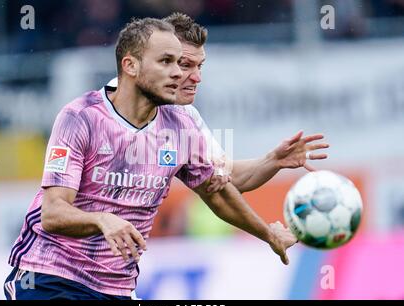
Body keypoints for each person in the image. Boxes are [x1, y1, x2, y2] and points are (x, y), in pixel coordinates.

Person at [4, 17, 297, 300]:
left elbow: (219, 191)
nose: (183, 75)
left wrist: (269, 233)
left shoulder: (181, 123)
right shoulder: (81, 117)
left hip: (117, 287)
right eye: (168, 62)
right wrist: (101, 220)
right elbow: (52, 213)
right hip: (50, 277)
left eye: (185, 65)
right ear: (130, 65)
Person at [107, 13, 330, 195]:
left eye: (200, 66)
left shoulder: (184, 116)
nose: (196, 78)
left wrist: (273, 160)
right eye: (184, 65)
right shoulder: (97, 112)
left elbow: (228, 176)